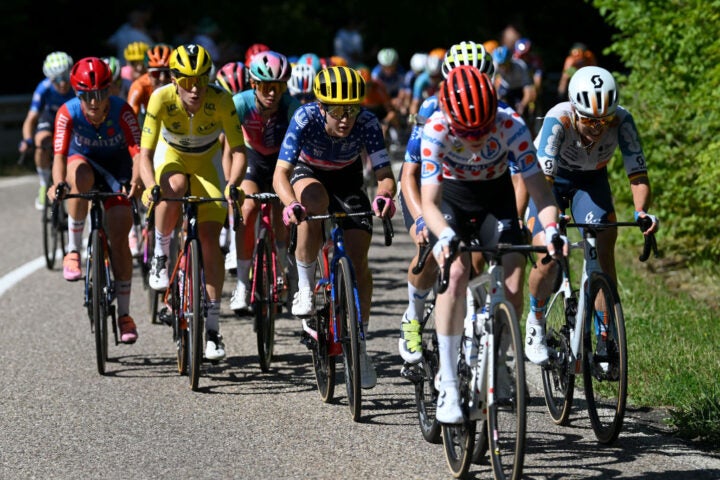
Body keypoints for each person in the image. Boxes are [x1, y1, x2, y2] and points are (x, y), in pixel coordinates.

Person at [419, 65, 564, 423]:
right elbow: (429, 202)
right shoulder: (435, 129)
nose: (478, 139)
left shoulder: (511, 124)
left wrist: (551, 229)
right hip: (452, 201)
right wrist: (446, 237)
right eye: (467, 132)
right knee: (455, 272)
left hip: (494, 199)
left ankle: (497, 359)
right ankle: (449, 383)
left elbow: (541, 192)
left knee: (514, 281)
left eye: (484, 129)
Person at [272, 66, 397, 389]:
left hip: (347, 177)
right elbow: (280, 174)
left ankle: (361, 343)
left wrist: (384, 196)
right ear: (322, 107)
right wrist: (290, 205)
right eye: (338, 110)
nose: (346, 118)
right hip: (308, 172)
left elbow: (384, 175)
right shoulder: (304, 118)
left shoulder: (368, 122)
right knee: (314, 202)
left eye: (352, 109)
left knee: (359, 261)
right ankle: (303, 286)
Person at [524, 66, 658, 365]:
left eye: (604, 120)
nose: (598, 128)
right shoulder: (558, 119)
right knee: (548, 249)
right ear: (574, 108)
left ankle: (605, 337)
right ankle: (534, 320)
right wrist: (553, 217)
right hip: (550, 181)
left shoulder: (623, 120)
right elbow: (542, 184)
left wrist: (641, 212)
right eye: (589, 120)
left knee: (604, 244)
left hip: (591, 181)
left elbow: (637, 174)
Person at [139, 44, 247, 361]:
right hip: (170, 156)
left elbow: (239, 151)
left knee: (211, 242)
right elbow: (145, 154)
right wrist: (149, 187)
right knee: (172, 186)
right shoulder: (160, 98)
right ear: (174, 80)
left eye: (202, 78)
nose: (195, 88)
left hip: (207, 164)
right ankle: (160, 255)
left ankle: (212, 329)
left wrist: (234, 185)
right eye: (187, 81)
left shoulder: (221, 100)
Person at [398, 40, 497, 364]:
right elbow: (409, 175)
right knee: (429, 253)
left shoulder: (495, 110)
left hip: (475, 191)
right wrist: (421, 220)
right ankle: (412, 316)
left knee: (478, 260)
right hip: (433, 191)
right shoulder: (430, 109)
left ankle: (473, 336)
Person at [47, 57, 142, 344]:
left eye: (100, 93)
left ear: (110, 91)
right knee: (79, 176)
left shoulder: (122, 111)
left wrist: (137, 182)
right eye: (86, 95)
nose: (94, 101)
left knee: (120, 237)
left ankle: (124, 314)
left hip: (118, 169)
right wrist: (58, 184)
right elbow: (60, 157)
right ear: (78, 95)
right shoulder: (67, 112)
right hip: (83, 162)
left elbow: (138, 154)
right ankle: (74, 250)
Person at [226, 51, 300, 313]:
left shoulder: (291, 107)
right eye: (267, 86)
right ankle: (242, 286)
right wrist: (230, 184)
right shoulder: (239, 104)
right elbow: (229, 150)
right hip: (251, 163)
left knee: (285, 217)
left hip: (281, 165)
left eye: (278, 87)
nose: (272, 93)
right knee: (247, 209)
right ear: (254, 85)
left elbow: (300, 152)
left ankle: (283, 271)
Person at [20, 51, 75, 210]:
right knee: (41, 142)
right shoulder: (43, 88)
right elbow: (31, 119)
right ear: (50, 79)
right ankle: (44, 184)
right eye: (57, 80)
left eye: (65, 78)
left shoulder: (77, 86)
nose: (63, 84)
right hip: (50, 118)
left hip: (71, 120)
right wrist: (27, 140)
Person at [127, 43, 173, 123]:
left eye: (167, 73)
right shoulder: (139, 86)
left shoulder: (181, 84)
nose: (162, 78)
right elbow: (129, 120)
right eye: (156, 73)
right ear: (148, 73)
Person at [492, 46, 536, 122]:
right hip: (506, 87)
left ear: (510, 60)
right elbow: (492, 87)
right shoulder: (495, 66)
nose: (502, 68)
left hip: (520, 88)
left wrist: (523, 105)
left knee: (524, 114)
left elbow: (528, 90)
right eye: (500, 65)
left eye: (505, 64)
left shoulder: (521, 66)